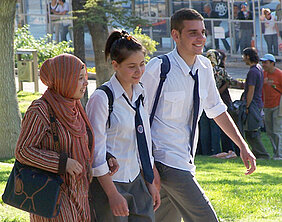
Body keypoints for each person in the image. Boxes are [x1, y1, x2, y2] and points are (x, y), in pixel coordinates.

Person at [142, 8, 256, 222]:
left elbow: (217, 109)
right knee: (206, 218)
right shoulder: (158, 68)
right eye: (193, 32)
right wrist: (149, 166)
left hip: (185, 159)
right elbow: (139, 119)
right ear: (175, 35)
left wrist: (242, 146)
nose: (201, 38)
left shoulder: (204, 66)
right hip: (165, 161)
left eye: (203, 32)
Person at [86, 30, 160, 222]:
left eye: (142, 64)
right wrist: (112, 194)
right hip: (109, 184)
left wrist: (150, 181)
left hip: (136, 181)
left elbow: (142, 141)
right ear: (115, 65)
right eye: (132, 66)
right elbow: (96, 153)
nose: (139, 71)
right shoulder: (102, 99)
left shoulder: (140, 94)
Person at [15, 54, 95, 221]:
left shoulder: (75, 107)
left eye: (85, 77)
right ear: (64, 79)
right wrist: (61, 162)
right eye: (80, 78)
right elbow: (23, 151)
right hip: (53, 196)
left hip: (80, 193)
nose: (86, 83)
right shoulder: (41, 109)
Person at [206, 49, 239, 158]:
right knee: (215, 128)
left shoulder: (203, 69)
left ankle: (206, 151)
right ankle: (216, 150)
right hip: (215, 101)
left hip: (203, 102)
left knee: (205, 128)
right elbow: (231, 80)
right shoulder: (219, 70)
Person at [241, 47, 270, 159]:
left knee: (251, 131)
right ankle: (257, 153)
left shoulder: (253, 71)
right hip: (257, 103)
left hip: (252, 104)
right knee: (252, 130)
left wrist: (247, 105)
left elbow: (251, 90)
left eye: (244, 56)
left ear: (248, 56)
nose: (243, 59)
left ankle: (262, 154)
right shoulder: (259, 69)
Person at [261, 53, 282, 160]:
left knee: (277, 131)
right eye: (262, 62)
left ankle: (279, 155)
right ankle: (275, 152)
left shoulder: (279, 74)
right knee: (269, 131)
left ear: (272, 63)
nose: (263, 64)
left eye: (266, 62)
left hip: (278, 106)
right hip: (267, 106)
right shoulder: (263, 74)